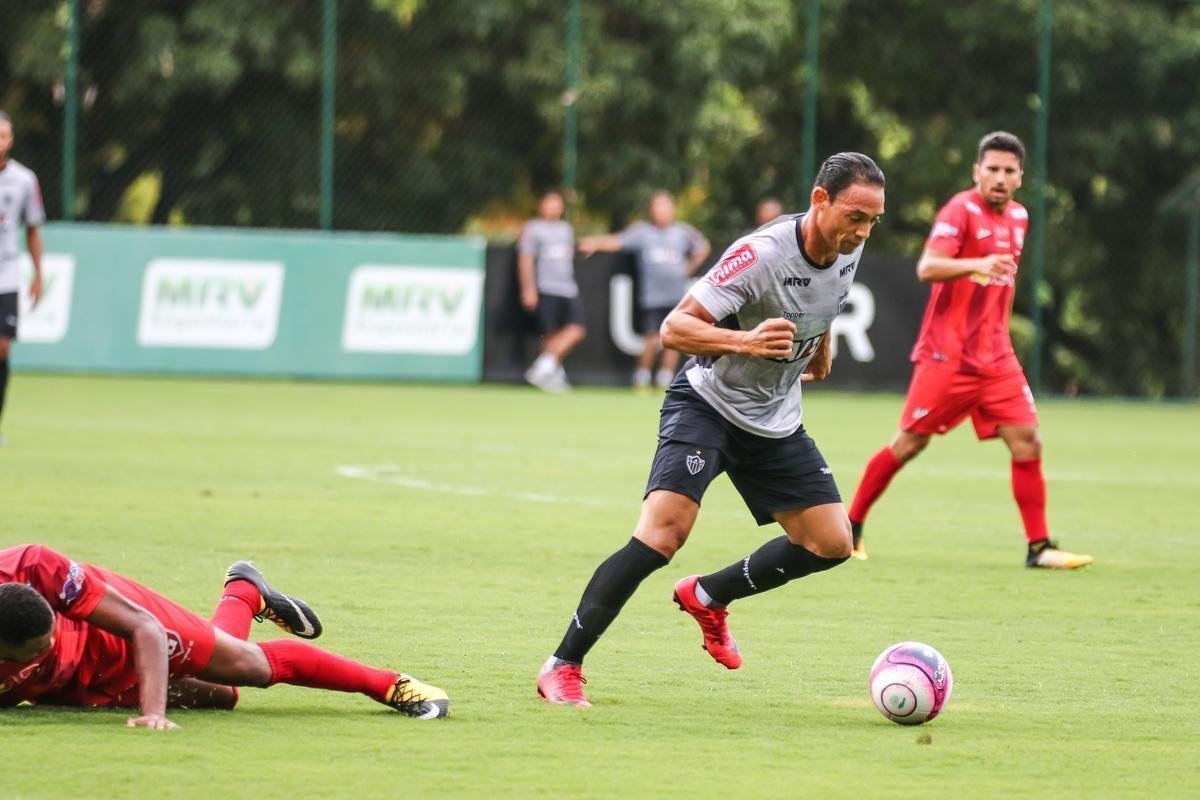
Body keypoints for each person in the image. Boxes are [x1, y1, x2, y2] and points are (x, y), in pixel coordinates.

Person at [538, 154, 886, 706]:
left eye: (872, 220)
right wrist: (745, 342)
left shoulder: (849, 244)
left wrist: (820, 351)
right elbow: (674, 327)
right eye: (855, 216)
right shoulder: (761, 253)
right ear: (820, 200)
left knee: (832, 542)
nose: (863, 230)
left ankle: (708, 595)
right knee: (661, 535)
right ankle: (562, 664)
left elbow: (824, 305)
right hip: (708, 405)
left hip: (775, 418)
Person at [846, 131, 1092, 570]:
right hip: (948, 356)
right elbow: (928, 267)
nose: (999, 177)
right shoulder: (961, 211)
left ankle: (1039, 548)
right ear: (977, 172)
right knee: (908, 444)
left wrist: (1001, 331)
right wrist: (975, 263)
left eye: (1008, 171)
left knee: (1027, 441)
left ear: (1020, 177)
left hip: (996, 358)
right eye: (992, 169)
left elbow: (1005, 284)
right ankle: (851, 528)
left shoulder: (1019, 216)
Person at [0, 544, 450, 726]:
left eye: (50, 635)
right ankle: (244, 593)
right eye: (38, 649)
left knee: (244, 666)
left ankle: (392, 684)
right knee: (223, 694)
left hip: (115, 628)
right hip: (66, 683)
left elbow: (145, 628)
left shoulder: (37, 567)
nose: (51, 642)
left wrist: (152, 713)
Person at [579, 191, 710, 390]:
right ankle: (642, 376)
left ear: (672, 209)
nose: (661, 211)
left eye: (665, 206)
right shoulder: (642, 232)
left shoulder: (682, 232)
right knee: (650, 337)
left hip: (676, 296)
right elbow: (617, 241)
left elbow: (702, 247)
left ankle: (665, 379)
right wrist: (595, 242)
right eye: (657, 206)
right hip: (652, 297)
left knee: (676, 338)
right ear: (651, 210)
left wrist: (689, 267)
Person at [0, 111, 45, 446]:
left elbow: (32, 229)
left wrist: (38, 273)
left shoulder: (24, 180)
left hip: (6, 273)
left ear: (10, 140)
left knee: (1, 349)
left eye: (2, 135)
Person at [518, 189, 583, 393]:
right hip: (546, 287)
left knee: (576, 328)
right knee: (550, 334)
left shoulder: (565, 229)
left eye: (557, 203)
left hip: (568, 288)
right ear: (541, 205)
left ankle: (542, 367)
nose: (553, 207)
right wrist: (528, 289)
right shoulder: (533, 228)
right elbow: (525, 260)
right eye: (549, 203)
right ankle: (551, 375)